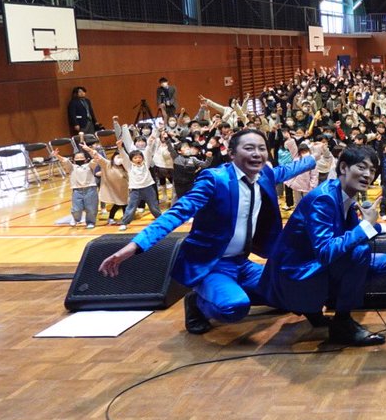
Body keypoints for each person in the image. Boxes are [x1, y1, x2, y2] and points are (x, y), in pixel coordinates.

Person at [97, 128, 316, 335]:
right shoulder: (214, 179)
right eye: (249, 148)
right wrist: (134, 246)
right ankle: (197, 303)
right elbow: (177, 213)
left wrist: (314, 158)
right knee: (234, 308)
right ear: (231, 153)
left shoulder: (265, 175)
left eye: (261, 148)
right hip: (212, 264)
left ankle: (231, 289)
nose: (257, 153)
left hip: (242, 263)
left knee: (290, 295)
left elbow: (288, 170)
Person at [262, 146, 386, 346]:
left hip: (308, 264)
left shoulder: (343, 193)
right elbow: (325, 251)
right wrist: (366, 226)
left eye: (373, 170)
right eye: (362, 167)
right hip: (295, 273)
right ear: (343, 167)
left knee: (382, 262)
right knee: (360, 253)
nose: (368, 175)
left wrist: (378, 227)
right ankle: (342, 323)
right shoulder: (323, 199)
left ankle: (314, 307)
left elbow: (343, 231)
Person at [52, 139, 99, 229]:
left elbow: (96, 158)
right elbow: (65, 161)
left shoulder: (89, 166)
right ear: (73, 160)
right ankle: (75, 218)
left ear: (85, 159)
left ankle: (90, 222)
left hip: (90, 189)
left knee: (91, 208)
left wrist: (89, 149)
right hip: (77, 190)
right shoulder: (72, 167)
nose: (79, 159)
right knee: (76, 209)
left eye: (81, 157)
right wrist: (57, 155)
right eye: (77, 158)